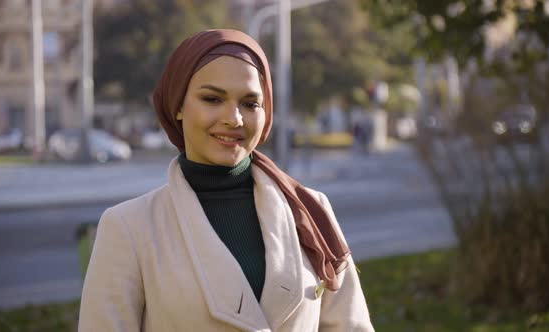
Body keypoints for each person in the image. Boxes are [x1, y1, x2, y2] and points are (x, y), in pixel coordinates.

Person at [78, 29, 374, 332]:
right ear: (178, 105)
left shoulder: (310, 211)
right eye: (212, 98)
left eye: (250, 103)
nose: (234, 119)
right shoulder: (128, 227)